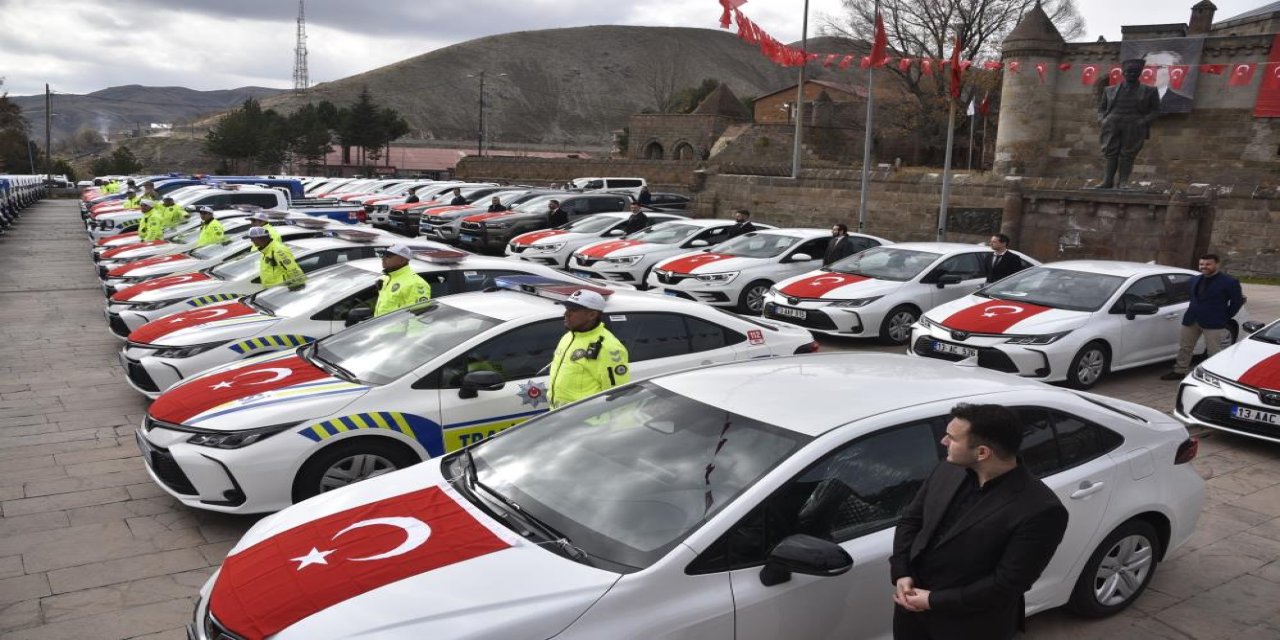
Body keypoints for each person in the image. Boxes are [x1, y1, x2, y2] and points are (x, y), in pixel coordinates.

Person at [890, 403, 1069, 640]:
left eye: (952, 438)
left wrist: (932, 601)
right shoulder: (947, 469)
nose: (943, 441)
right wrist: (902, 573)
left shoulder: (1041, 510)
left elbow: (1006, 585)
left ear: (982, 452)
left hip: (971, 626)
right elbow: (911, 521)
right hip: (911, 615)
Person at [1162, 254, 1244, 380]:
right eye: (1202, 264)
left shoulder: (1229, 282)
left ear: (1217, 264)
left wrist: (1225, 316)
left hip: (1214, 322)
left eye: (1208, 264)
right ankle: (1179, 371)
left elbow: (1237, 302)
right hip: (1191, 319)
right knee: (1185, 347)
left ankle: (1214, 375)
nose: (1204, 267)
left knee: (1213, 350)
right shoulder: (1194, 280)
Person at [548, 289, 630, 409]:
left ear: (592, 315)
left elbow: (617, 395)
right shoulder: (569, 336)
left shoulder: (608, 348)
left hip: (587, 422)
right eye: (566, 309)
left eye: (573, 311)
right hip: (561, 417)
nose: (566, 314)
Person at [1094, 58, 1160, 189]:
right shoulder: (1109, 90)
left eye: (1135, 72)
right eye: (1129, 72)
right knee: (1110, 152)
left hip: (1134, 124)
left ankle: (1123, 182)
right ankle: (1107, 181)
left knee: (1128, 154)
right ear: (1123, 73)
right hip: (1112, 123)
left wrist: (1143, 121)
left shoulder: (1150, 91)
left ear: (1140, 73)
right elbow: (1102, 108)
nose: (1132, 74)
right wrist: (1102, 119)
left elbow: (1156, 110)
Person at [373, 244, 431, 316]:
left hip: (396, 327)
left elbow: (418, 318)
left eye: (388, 256)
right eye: (383, 255)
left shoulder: (416, 283)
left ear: (402, 260)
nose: (383, 258)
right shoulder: (386, 278)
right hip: (380, 326)